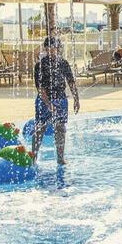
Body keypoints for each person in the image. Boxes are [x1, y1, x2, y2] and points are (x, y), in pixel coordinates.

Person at [32, 37, 80, 165]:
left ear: (58, 48)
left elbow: (71, 82)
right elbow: (40, 89)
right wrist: (48, 104)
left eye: (54, 47)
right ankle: (33, 158)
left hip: (61, 99)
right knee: (40, 128)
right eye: (49, 47)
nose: (52, 50)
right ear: (45, 49)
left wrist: (76, 99)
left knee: (60, 128)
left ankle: (60, 158)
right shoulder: (40, 66)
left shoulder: (63, 63)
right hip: (44, 100)